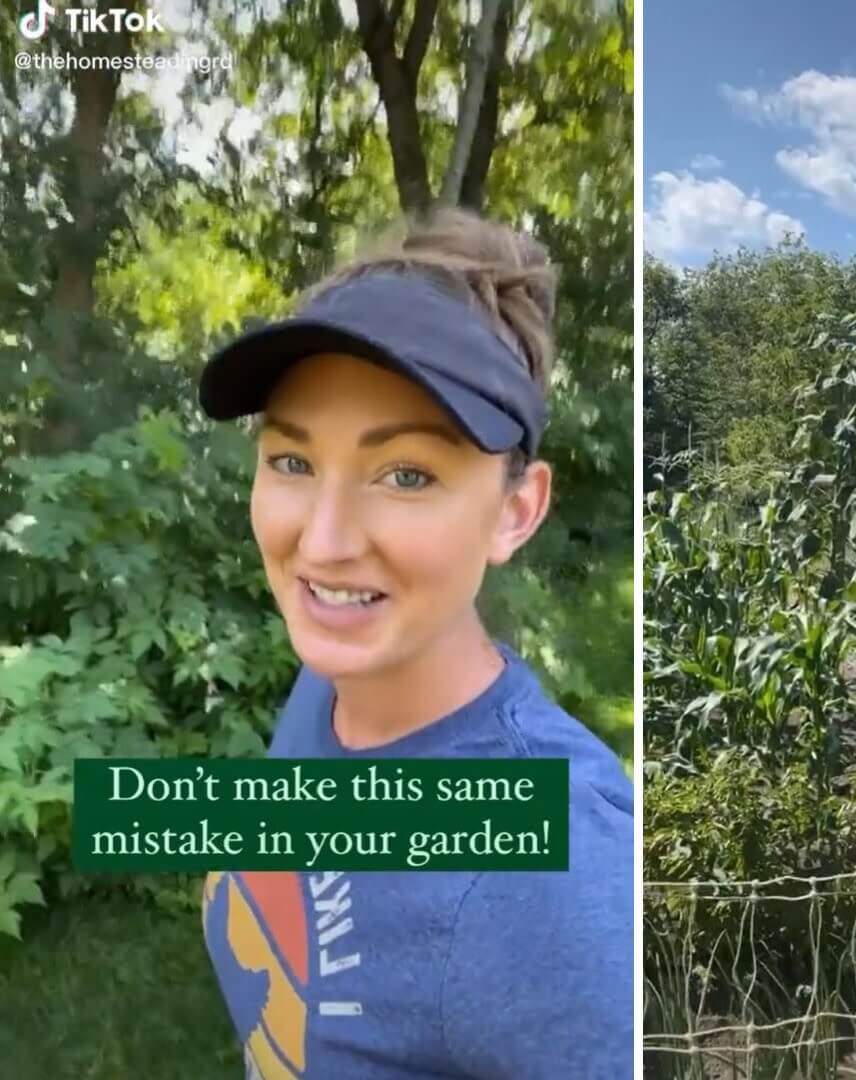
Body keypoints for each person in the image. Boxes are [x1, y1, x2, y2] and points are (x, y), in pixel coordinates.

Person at [193, 209, 634, 1079]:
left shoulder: (558, 878)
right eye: (292, 461)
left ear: (517, 510)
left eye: (406, 475)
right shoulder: (333, 680)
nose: (322, 543)